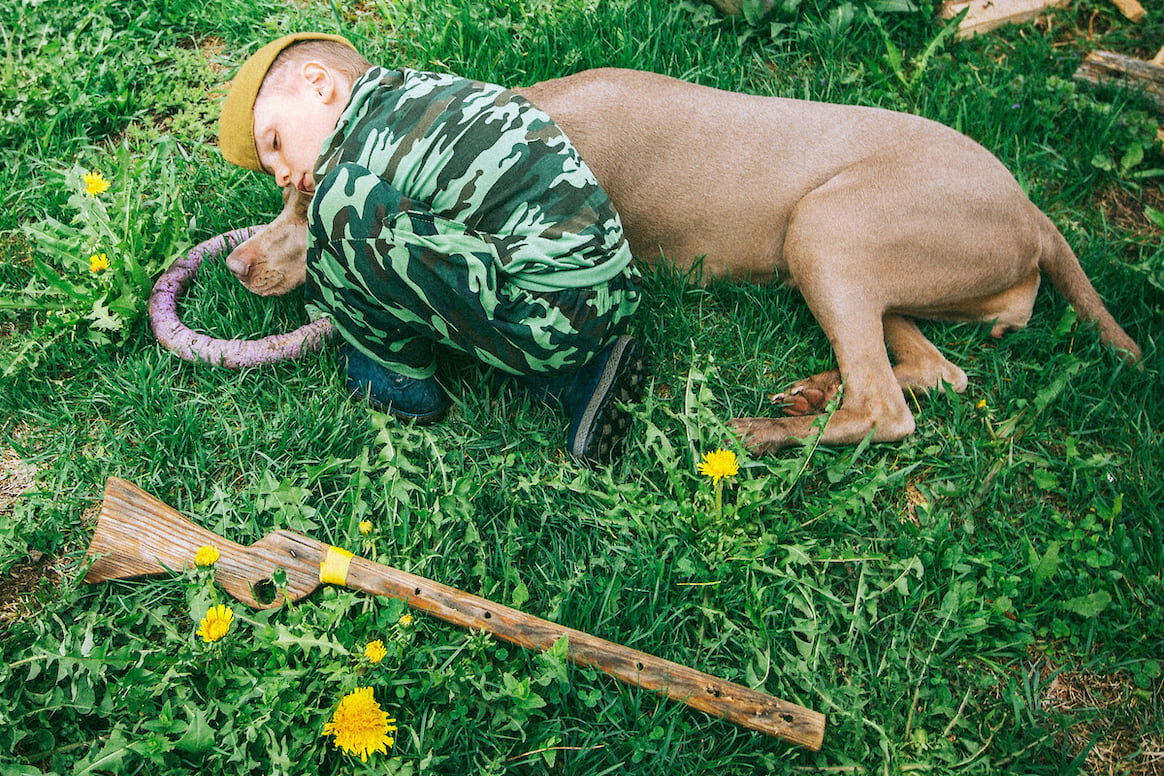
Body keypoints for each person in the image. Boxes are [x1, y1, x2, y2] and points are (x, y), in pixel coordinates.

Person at [218, 33, 646, 463]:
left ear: (319, 84)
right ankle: (578, 372)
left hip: (557, 318)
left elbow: (353, 249)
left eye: (275, 143)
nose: (282, 174)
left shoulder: (357, 158)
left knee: (341, 208)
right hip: (616, 283)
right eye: (270, 168)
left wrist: (328, 302)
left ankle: (404, 380)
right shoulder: (419, 94)